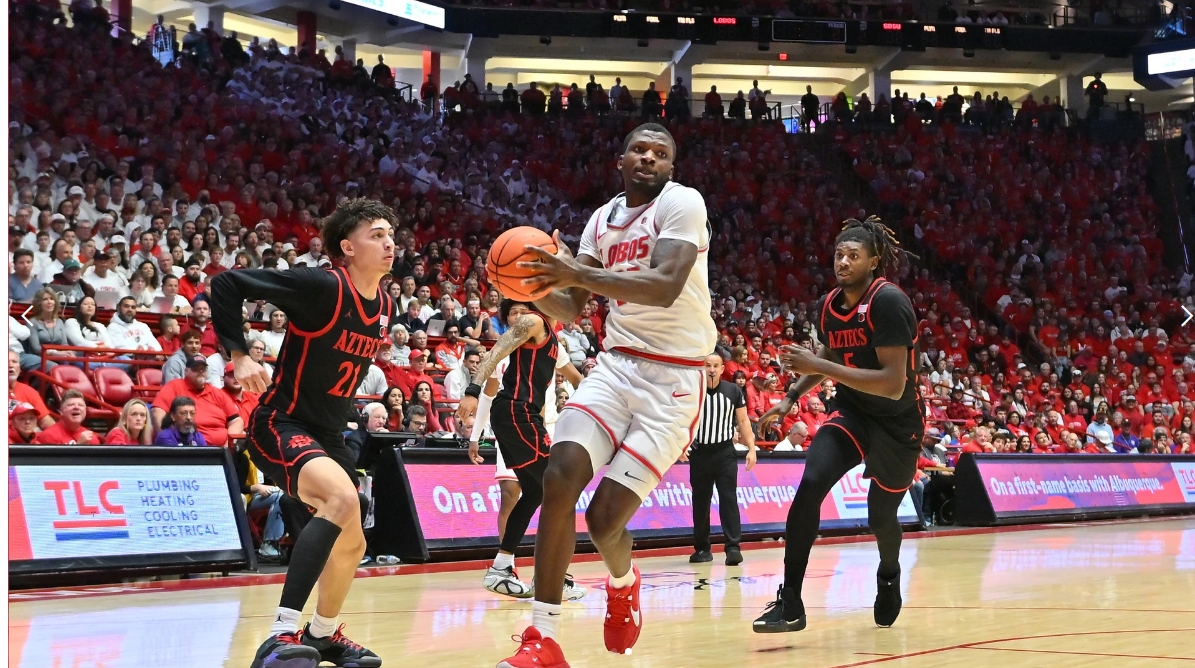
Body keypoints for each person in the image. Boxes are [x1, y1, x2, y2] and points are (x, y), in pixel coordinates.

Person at [495, 123, 715, 666]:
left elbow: (664, 286)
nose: (649, 158)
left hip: (674, 380)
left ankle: (624, 583)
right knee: (559, 474)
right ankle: (542, 638)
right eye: (639, 150)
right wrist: (535, 285)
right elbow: (573, 306)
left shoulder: (683, 203)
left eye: (660, 153)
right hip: (616, 366)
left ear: (671, 166)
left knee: (602, 522)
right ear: (620, 160)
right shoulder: (602, 219)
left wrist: (576, 273)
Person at [211, 198, 395, 668]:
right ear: (347, 248)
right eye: (376, 234)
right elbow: (227, 284)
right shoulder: (322, 285)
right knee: (342, 500)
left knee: (353, 538)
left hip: (329, 433)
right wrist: (239, 356)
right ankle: (278, 636)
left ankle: (324, 634)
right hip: (281, 422)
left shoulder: (385, 304)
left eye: (390, 234)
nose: (389, 241)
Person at [753, 216, 922, 634]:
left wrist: (821, 365)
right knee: (811, 482)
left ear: (874, 261)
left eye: (853, 256)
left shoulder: (889, 302)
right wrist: (790, 397)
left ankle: (888, 574)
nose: (843, 262)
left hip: (897, 421)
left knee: (881, 517)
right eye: (838, 255)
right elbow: (827, 356)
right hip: (852, 412)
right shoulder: (830, 304)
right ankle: (790, 602)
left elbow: (891, 383)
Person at [456, 299, 586, 602]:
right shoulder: (534, 322)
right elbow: (493, 353)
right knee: (558, 489)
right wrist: (472, 392)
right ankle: (554, 577)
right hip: (516, 411)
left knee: (537, 492)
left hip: (525, 415)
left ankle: (502, 567)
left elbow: (581, 381)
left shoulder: (554, 339)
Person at [686, 353, 756, 565]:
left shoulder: (733, 390)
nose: (711, 370)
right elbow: (681, 419)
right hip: (699, 453)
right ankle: (702, 549)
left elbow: (743, 421)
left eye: (715, 366)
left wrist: (752, 448)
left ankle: (733, 548)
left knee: (728, 499)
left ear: (722, 368)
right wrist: (682, 444)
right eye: (707, 365)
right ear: (702, 367)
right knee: (700, 502)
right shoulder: (693, 390)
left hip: (725, 452)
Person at [152, 354, 243, 447]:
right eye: (195, 369)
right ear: (186, 371)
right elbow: (157, 412)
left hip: (222, 450)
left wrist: (227, 446)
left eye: (203, 369)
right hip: (188, 447)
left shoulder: (217, 392)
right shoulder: (174, 386)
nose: (200, 372)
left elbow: (237, 421)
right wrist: (170, 441)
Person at [33, 390, 101, 444]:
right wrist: (79, 446)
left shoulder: (91, 437)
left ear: (85, 411)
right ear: (61, 411)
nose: (76, 407)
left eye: (80, 405)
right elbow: (56, 461)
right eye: (71, 405)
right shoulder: (49, 435)